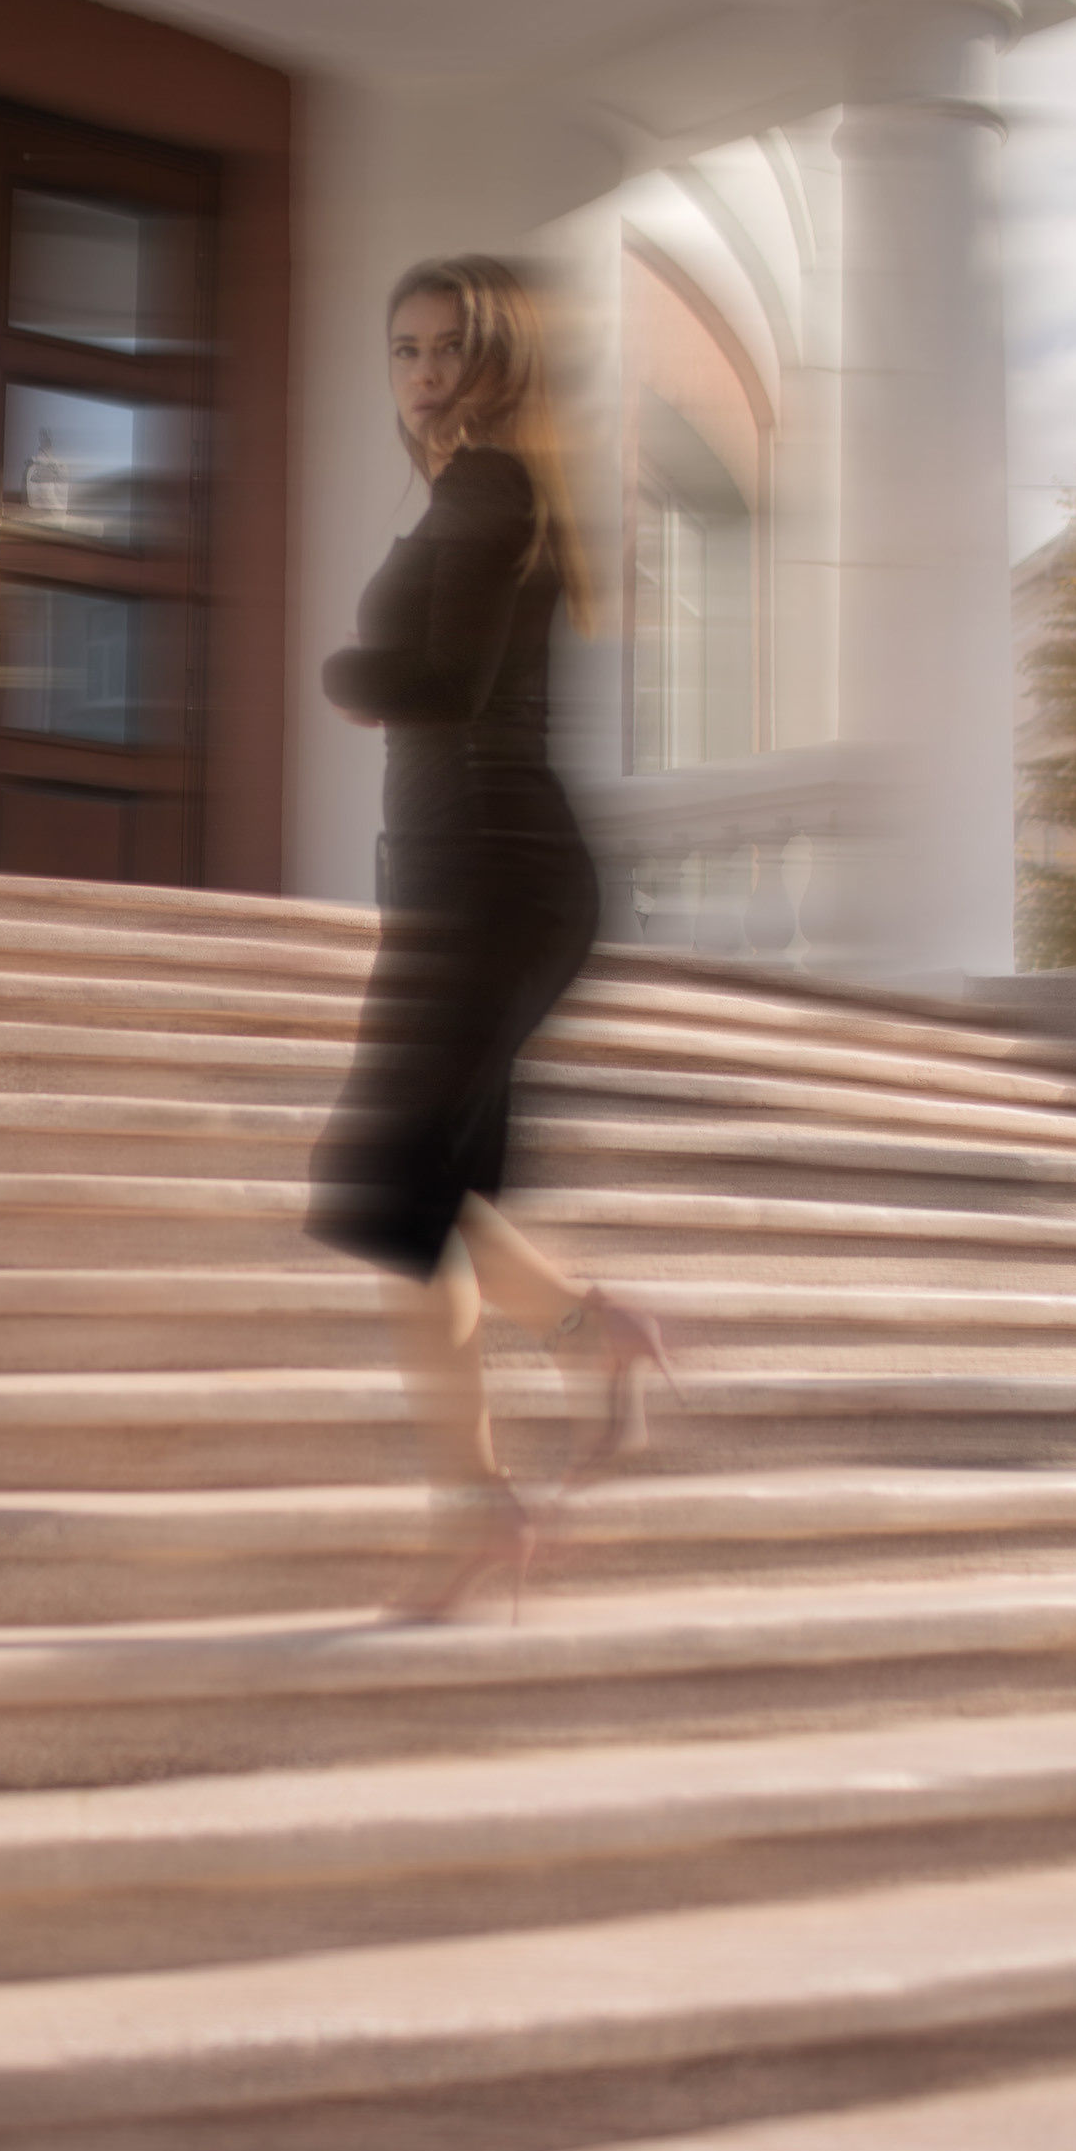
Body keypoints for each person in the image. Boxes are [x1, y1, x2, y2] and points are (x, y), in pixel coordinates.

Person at [307, 253, 681, 1618]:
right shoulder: (498, 490)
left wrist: (339, 666)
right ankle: (593, 1339)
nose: (419, 374)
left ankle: (476, 1505)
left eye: (445, 348)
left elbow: (434, 684)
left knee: (389, 1192)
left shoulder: (489, 487)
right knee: (418, 1195)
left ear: (497, 357)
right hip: (477, 879)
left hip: (492, 879)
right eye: (401, 349)